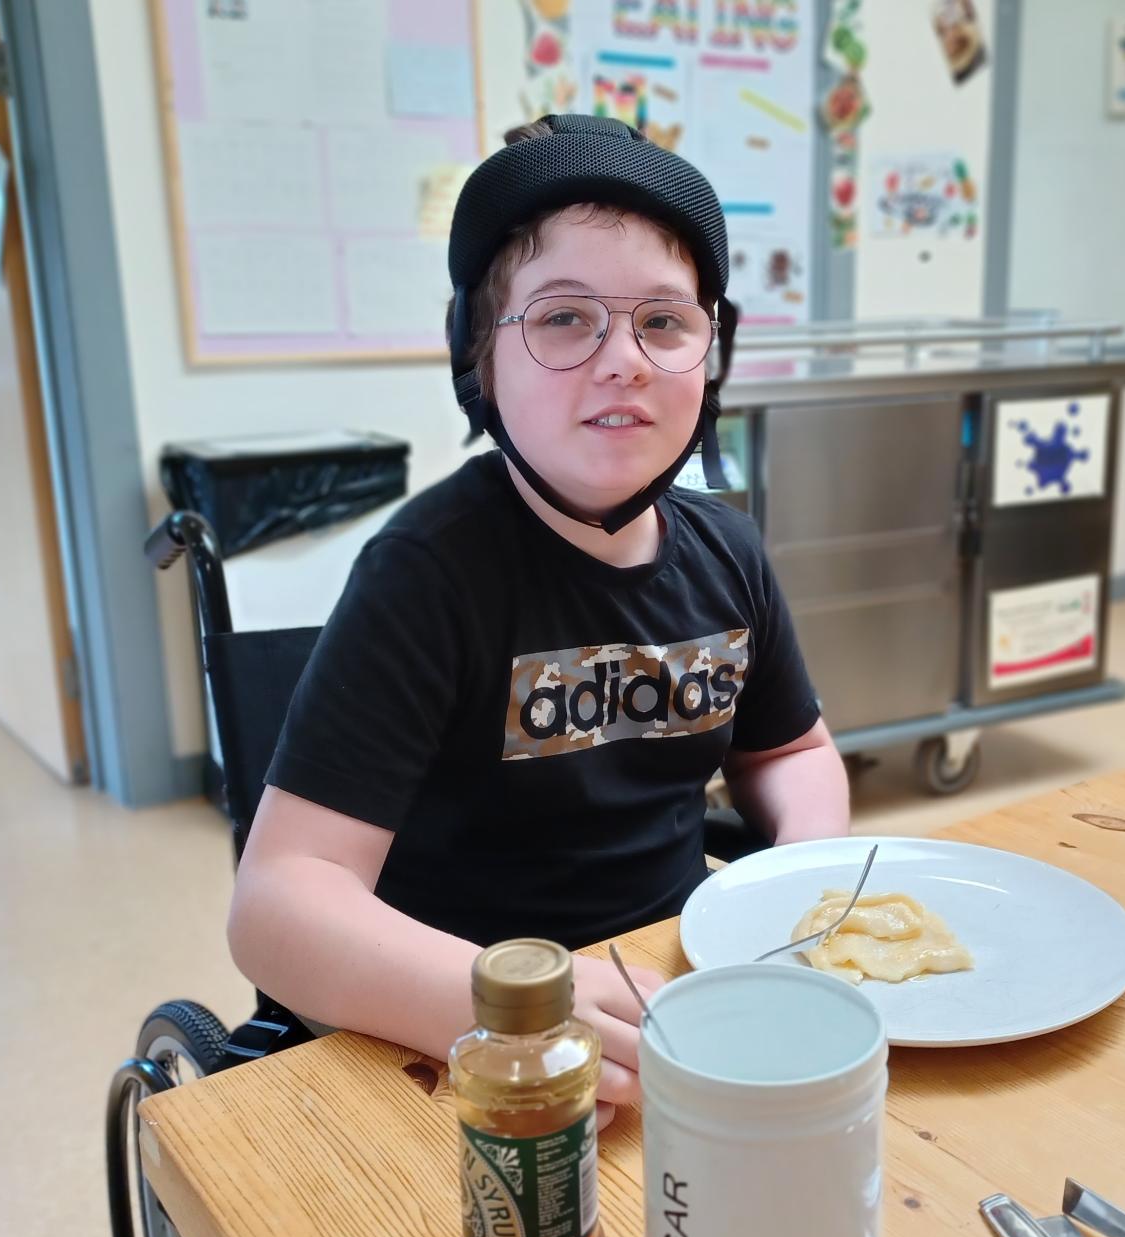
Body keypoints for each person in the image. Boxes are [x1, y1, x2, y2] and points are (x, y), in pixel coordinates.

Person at [227, 115, 849, 1126]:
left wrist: (791, 883)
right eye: (564, 319)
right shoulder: (427, 572)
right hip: (453, 1019)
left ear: (711, 351)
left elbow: (793, 749)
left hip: (671, 990)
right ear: (480, 352)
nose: (623, 361)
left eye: (664, 321)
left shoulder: (726, 552)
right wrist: (507, 1005)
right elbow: (278, 904)